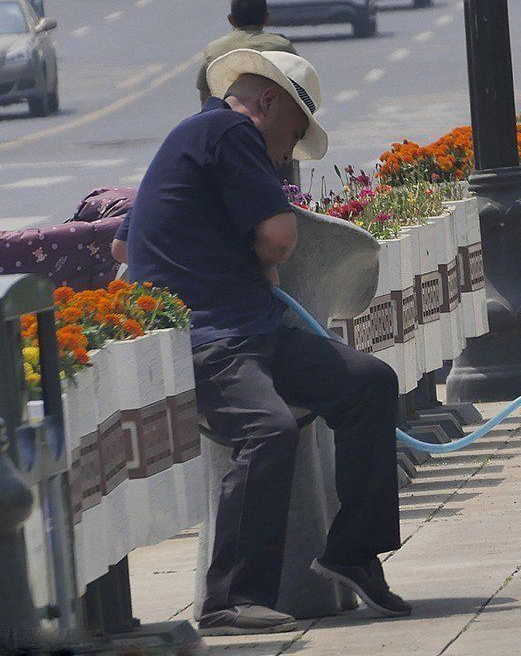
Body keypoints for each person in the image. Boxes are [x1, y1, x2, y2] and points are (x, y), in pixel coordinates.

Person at [111, 49, 410, 636]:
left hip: (253, 329)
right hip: (214, 339)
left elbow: (124, 249)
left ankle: (351, 550)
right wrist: (254, 253)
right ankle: (232, 597)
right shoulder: (231, 129)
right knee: (267, 431)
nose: (287, 158)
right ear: (268, 103)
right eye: (292, 139)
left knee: (370, 384)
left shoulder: (191, 136)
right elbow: (279, 237)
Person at [197, 0, 298, 102]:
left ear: (231, 20)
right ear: (266, 18)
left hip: (226, 115)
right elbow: (301, 86)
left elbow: (205, 97)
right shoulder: (282, 46)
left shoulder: (214, 49)